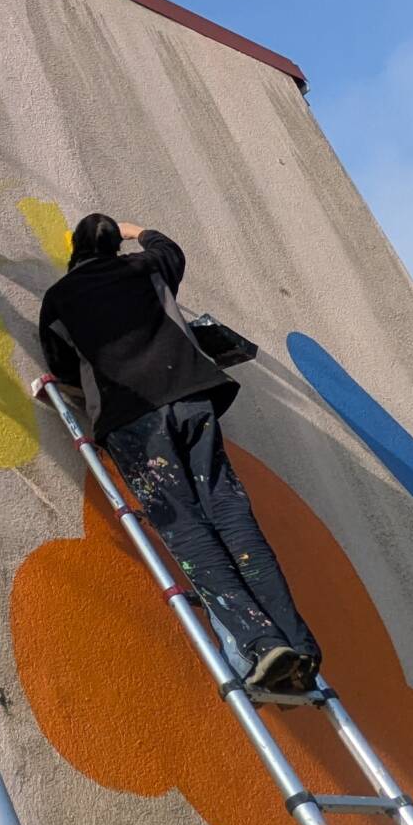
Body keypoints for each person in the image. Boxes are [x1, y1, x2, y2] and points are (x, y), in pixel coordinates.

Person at [37, 212, 322, 692]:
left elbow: (62, 363)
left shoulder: (59, 299)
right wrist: (135, 231)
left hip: (134, 423)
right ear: (115, 246)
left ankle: (259, 643)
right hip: (191, 401)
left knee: (186, 529)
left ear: (74, 252)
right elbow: (171, 249)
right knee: (232, 515)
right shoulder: (145, 267)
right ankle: (299, 643)